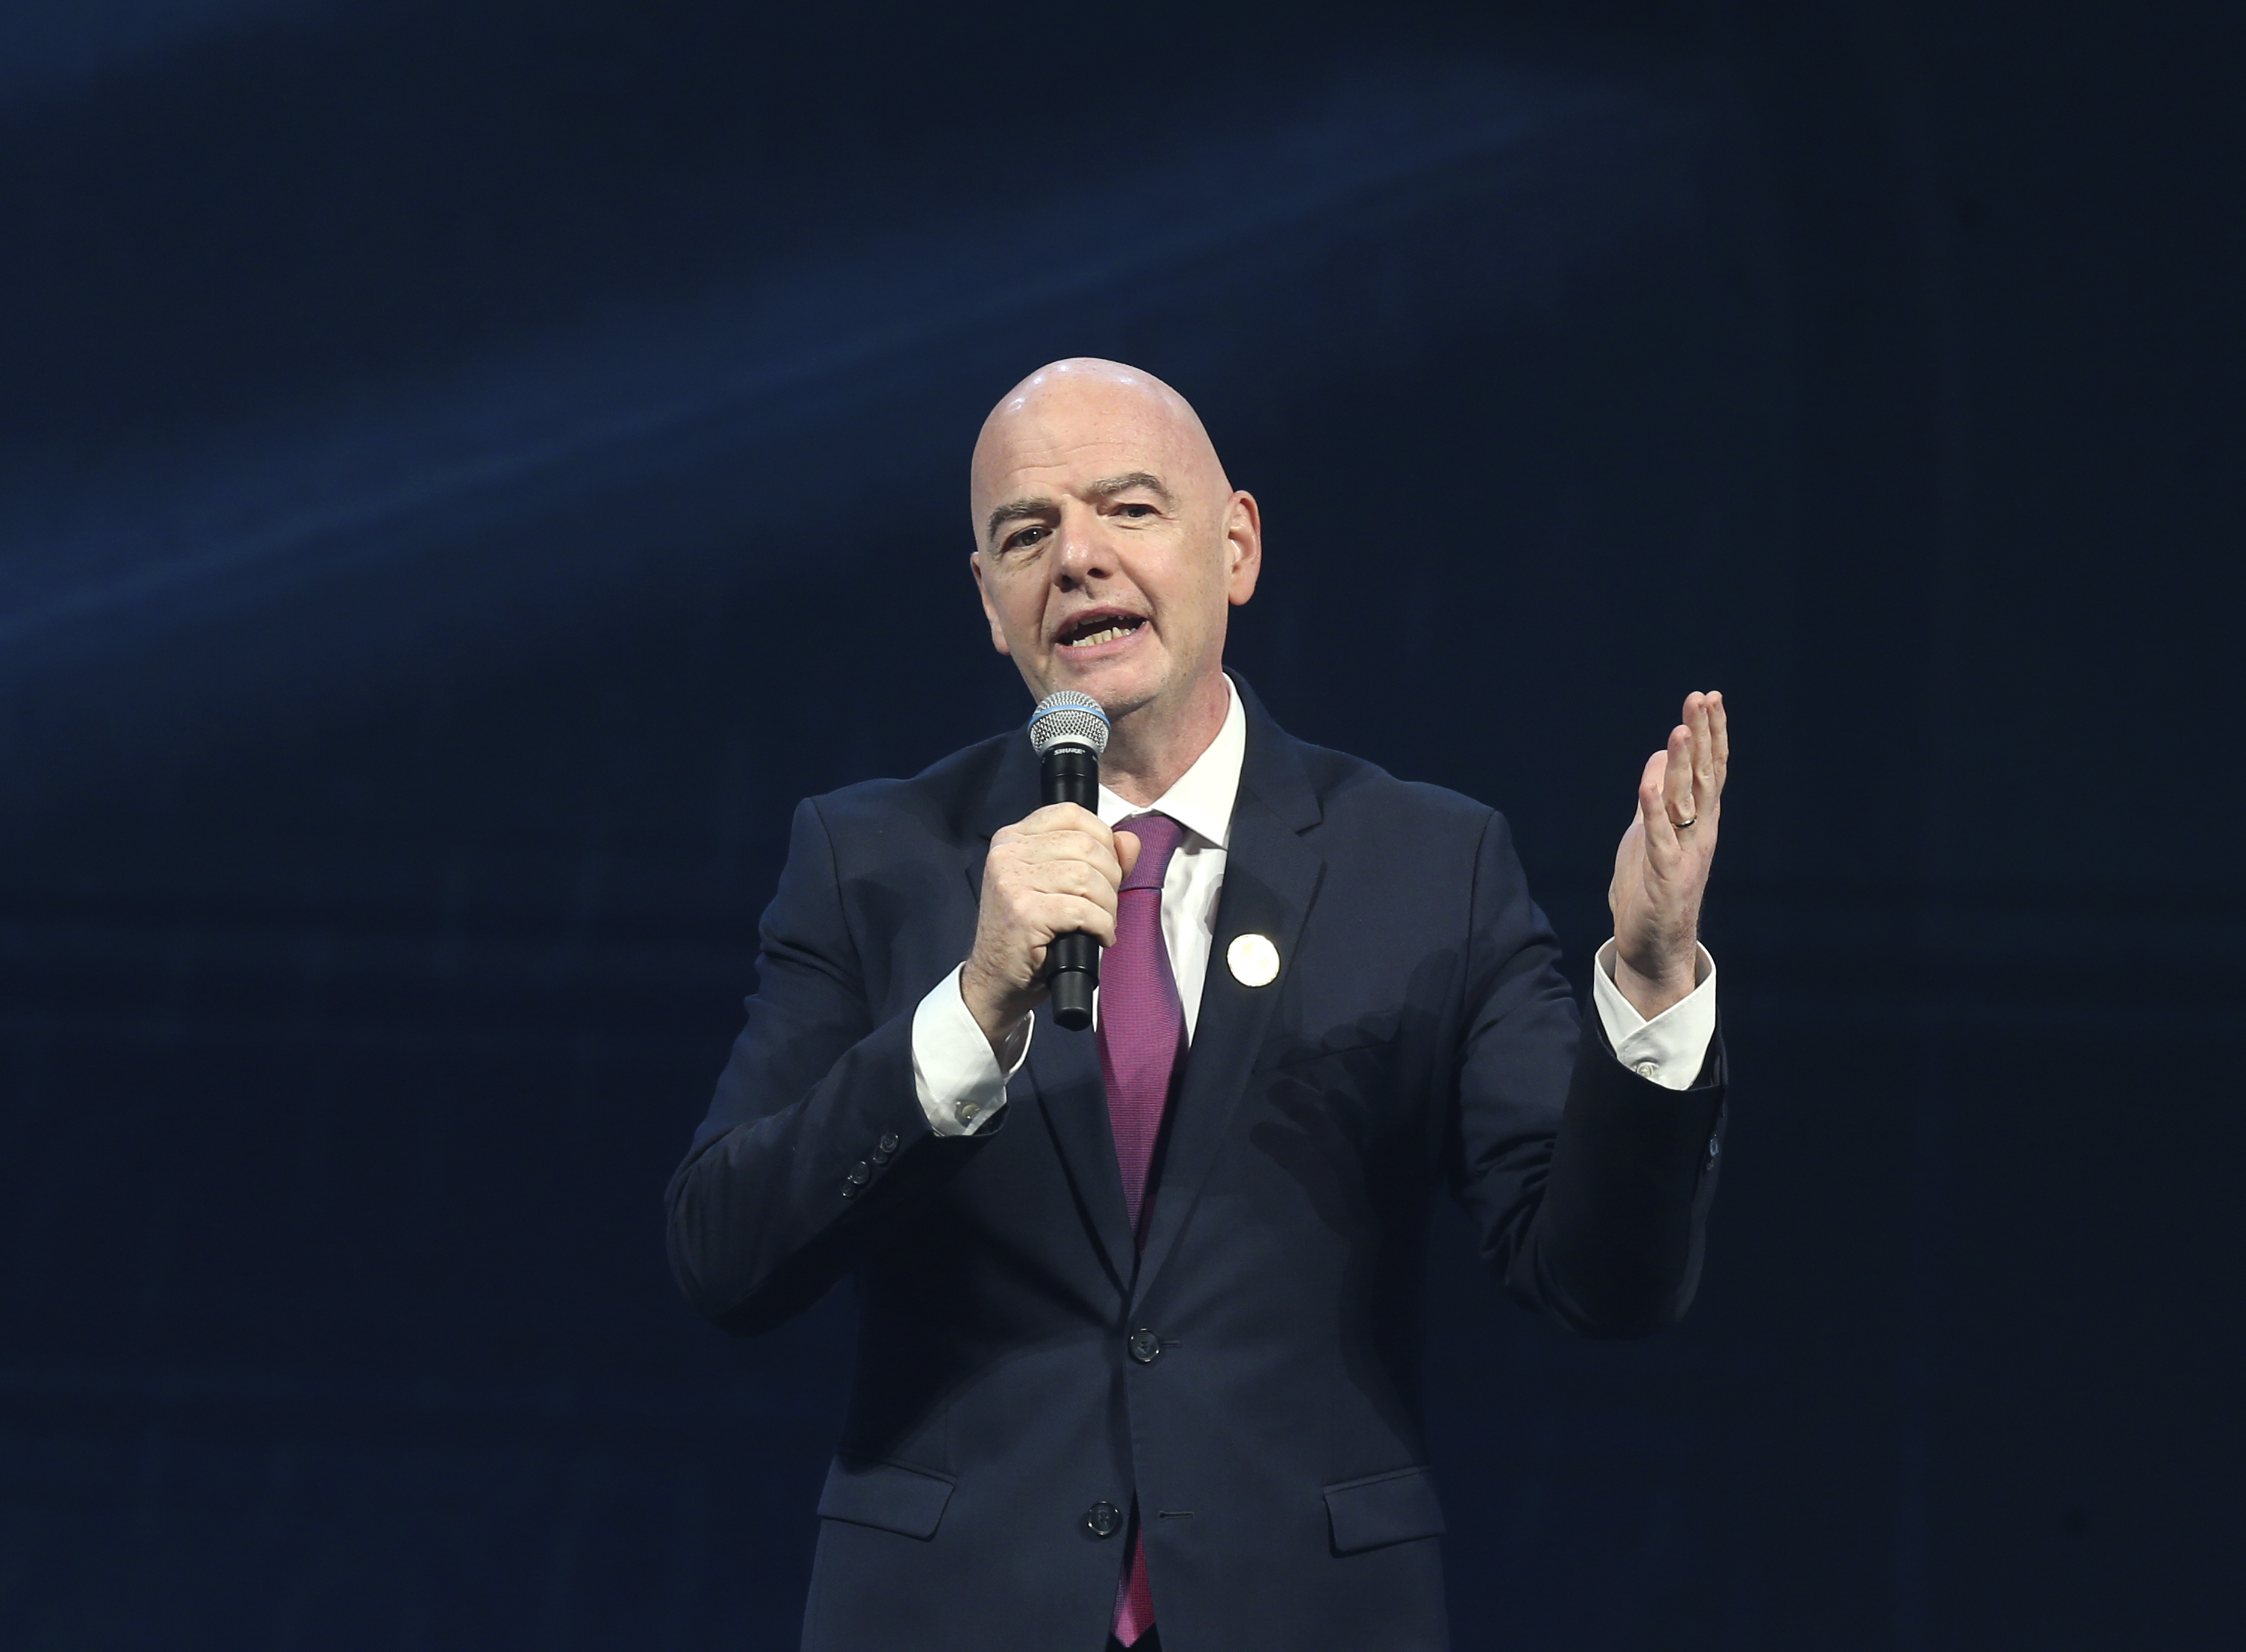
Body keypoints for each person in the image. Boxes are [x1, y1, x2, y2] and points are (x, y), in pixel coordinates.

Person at [666, 358, 1730, 1651]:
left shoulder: (1428, 865)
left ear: (1235, 547)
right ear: (990, 604)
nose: (1077, 560)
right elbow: (725, 1251)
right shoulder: (871, 859)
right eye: (1027, 534)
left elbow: (1600, 1281)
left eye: (1129, 509)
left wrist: (1656, 976)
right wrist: (971, 1006)